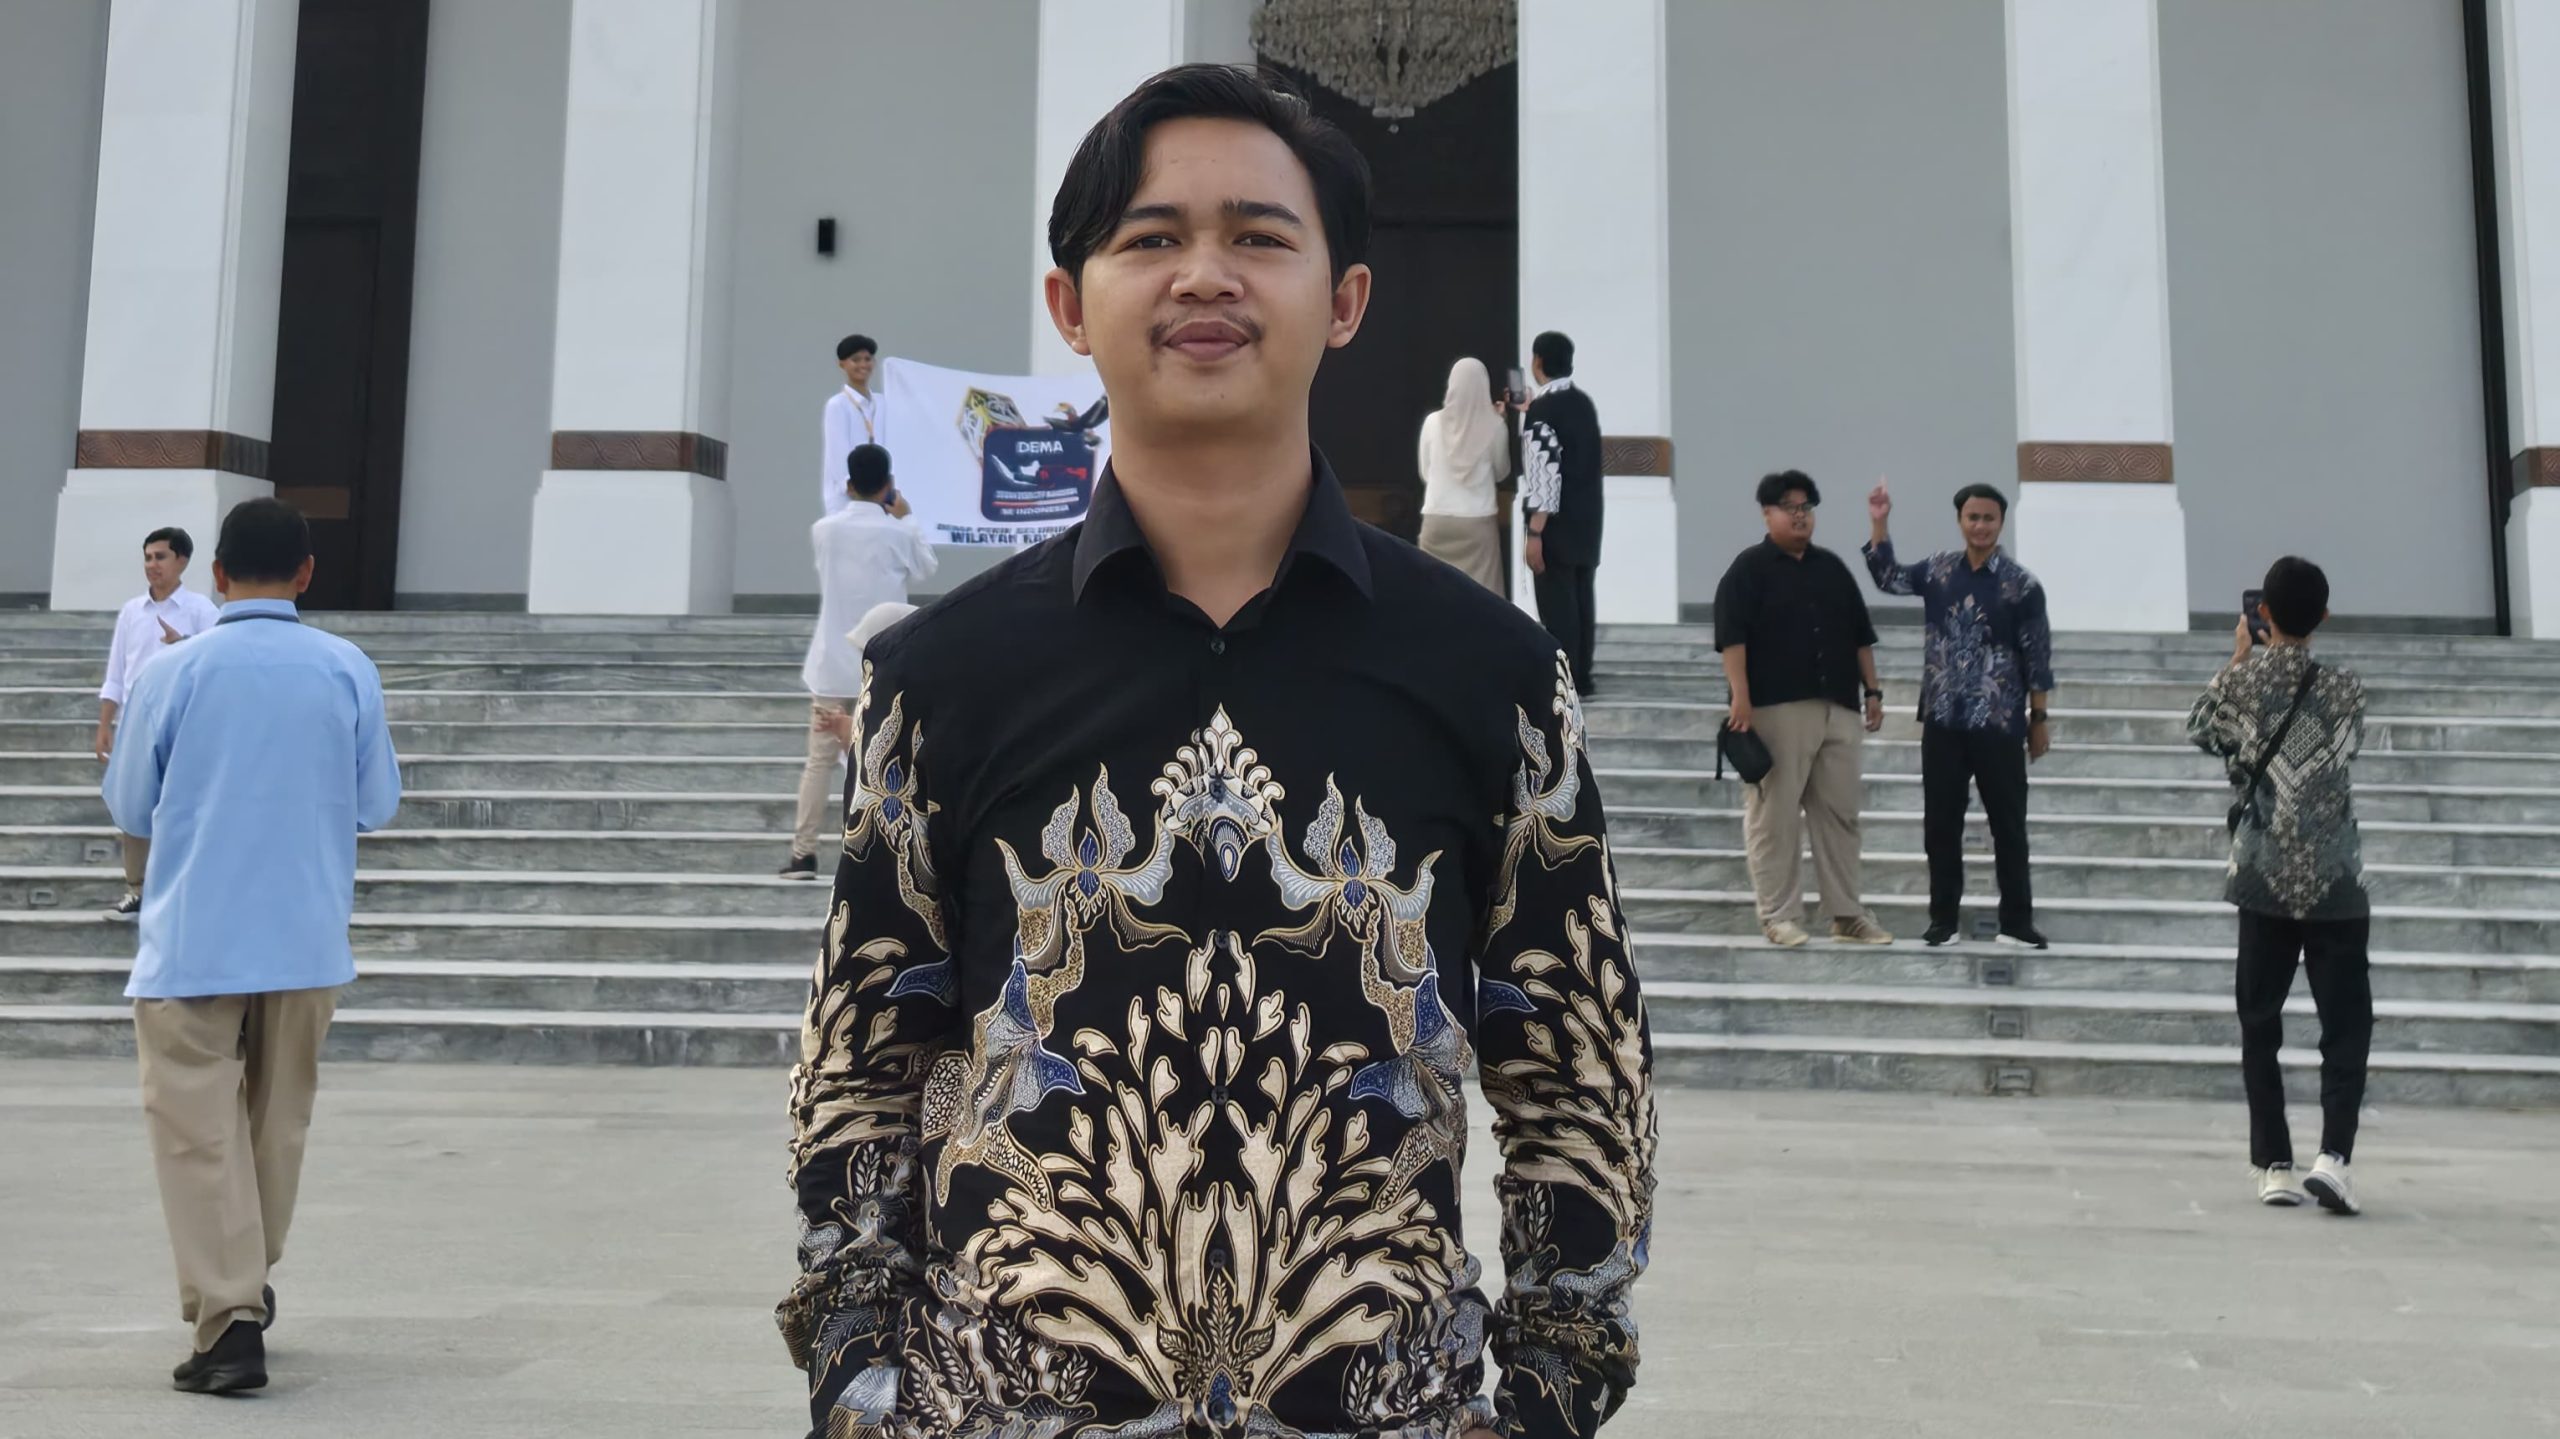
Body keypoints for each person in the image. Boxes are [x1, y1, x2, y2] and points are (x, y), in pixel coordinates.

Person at [779, 66, 1655, 1439]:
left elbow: (1579, 1079)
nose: (1205, 274)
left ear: (1343, 299)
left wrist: (1542, 1396)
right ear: (1071, 305)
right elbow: (858, 1072)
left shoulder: (1492, 675)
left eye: (1257, 234)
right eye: (1151, 237)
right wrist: (864, 1390)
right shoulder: (938, 679)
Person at [100, 497, 402, 1393]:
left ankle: (229, 1318)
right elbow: (377, 802)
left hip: (195, 933)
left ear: (217, 575)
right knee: (275, 1124)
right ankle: (246, 1284)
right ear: (306, 573)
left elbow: (129, 804)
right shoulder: (346, 667)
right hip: (305, 934)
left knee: (196, 1130)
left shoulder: (174, 671)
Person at [2187, 556, 2371, 1216]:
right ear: (2324, 615)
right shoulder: (2347, 689)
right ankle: (2335, 1158)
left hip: (2263, 874)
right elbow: (2347, 748)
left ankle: (2273, 1165)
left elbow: (2202, 728)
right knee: (2346, 1024)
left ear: (2261, 611)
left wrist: (2241, 658)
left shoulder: (2242, 683)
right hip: (2334, 877)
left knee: (2260, 1021)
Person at [1863, 481, 2056, 949]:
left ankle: (2017, 922)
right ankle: (1942, 920)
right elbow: (1888, 577)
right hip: (1944, 721)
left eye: (1989, 518)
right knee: (1940, 825)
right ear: (1960, 521)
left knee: (2008, 824)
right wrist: (1880, 521)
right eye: (1973, 517)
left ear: (2001, 522)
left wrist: (2038, 718)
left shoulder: (2022, 585)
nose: (1980, 526)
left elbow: (2038, 655)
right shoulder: (1938, 570)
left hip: (1999, 722)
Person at [1713, 470, 1891, 948]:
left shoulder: (1831, 568)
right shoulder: (1748, 570)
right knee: (1775, 817)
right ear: (1766, 514)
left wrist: (1873, 692)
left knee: (1840, 815)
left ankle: (1847, 914)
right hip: (1776, 708)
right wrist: (1740, 695)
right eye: (1789, 508)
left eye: (1806, 507)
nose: (1800, 516)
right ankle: (1779, 915)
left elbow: (1860, 635)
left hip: (1839, 706)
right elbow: (1732, 638)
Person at [782, 444, 937, 880]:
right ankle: (870, 854)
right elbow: (926, 567)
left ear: (849, 485)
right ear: (888, 485)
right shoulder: (898, 533)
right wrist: (906, 517)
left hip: (831, 665)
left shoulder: (824, 530)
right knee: (881, 758)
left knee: (819, 761)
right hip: (883, 663)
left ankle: (803, 853)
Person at [95, 527, 222, 920]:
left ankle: (185, 889)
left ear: (182, 560)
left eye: (161, 557)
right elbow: (116, 673)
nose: (152, 565)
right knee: (133, 805)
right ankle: (137, 888)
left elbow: (218, 666)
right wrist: (105, 724)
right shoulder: (132, 612)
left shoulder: (202, 611)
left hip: (185, 723)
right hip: (136, 722)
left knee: (183, 807)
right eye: (148, 557)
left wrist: (183, 644)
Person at [1521, 330, 1604, 694]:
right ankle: (1582, 676)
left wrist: (1535, 532)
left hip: (1555, 525)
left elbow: (1545, 475)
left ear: (1538, 361)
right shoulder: (1583, 403)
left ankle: (1564, 680)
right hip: (1587, 521)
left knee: (1557, 606)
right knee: (1582, 599)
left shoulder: (1542, 411)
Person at [1416, 356, 1512, 591]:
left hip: (1437, 520)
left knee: (1432, 593)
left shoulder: (1432, 422)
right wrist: (1498, 421)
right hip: (1477, 522)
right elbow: (1502, 473)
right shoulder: (1496, 426)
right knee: (1483, 597)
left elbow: (1425, 473)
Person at [821, 334, 885, 517]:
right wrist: (855, 488)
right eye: (855, 360)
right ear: (842, 364)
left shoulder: (882, 403)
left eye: (867, 359)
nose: (863, 365)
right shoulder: (838, 405)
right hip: (847, 499)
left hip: (879, 497)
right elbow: (838, 454)